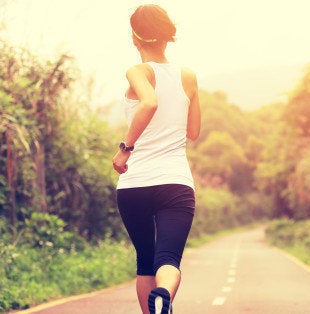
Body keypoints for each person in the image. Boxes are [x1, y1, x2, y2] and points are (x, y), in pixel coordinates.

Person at [112, 4, 201, 314]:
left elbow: (149, 101)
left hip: (134, 183)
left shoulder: (138, 71)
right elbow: (193, 131)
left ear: (135, 38)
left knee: (145, 260)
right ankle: (163, 293)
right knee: (168, 259)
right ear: (167, 37)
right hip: (175, 183)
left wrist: (126, 147)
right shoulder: (188, 76)